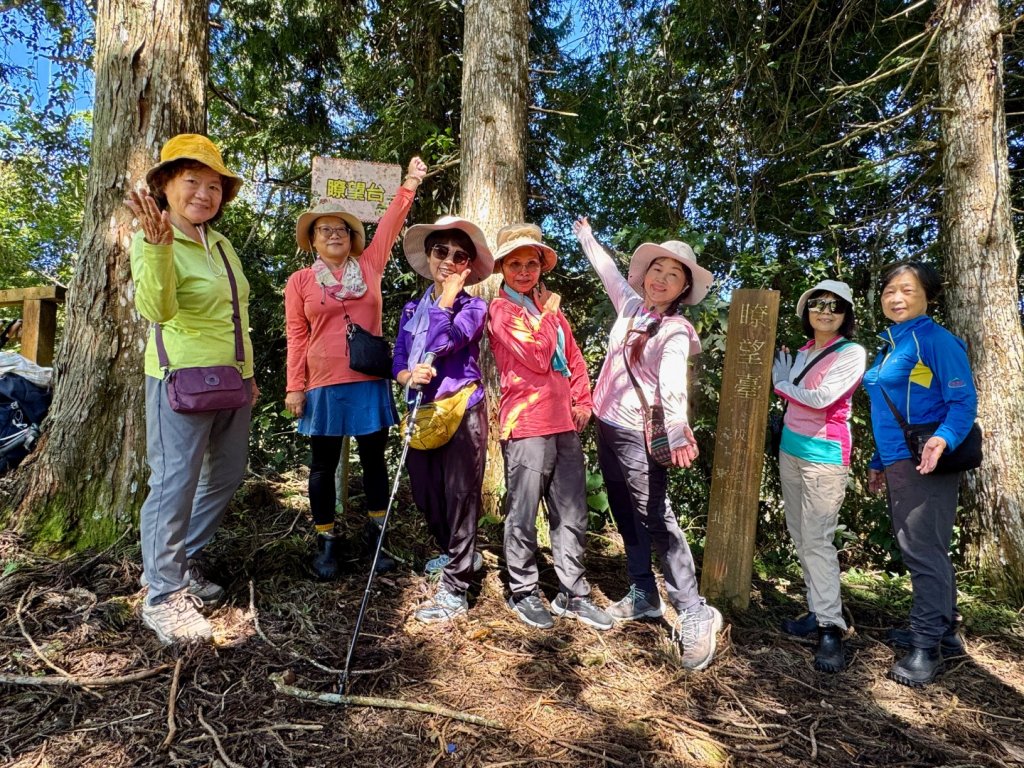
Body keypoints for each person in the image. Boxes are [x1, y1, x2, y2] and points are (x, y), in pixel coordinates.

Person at [126, 134, 258, 645]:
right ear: (165, 185)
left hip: (233, 379)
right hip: (179, 378)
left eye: (214, 186)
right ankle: (163, 595)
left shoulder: (220, 243)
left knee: (226, 474)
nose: (204, 193)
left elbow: (236, 313)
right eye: (192, 181)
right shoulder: (153, 238)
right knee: (173, 483)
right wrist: (159, 249)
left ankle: (181, 562)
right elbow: (157, 311)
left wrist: (249, 373)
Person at [574, 217, 723, 671]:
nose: (661, 278)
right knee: (625, 512)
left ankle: (693, 610)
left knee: (656, 517)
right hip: (607, 427)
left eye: (673, 275)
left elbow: (673, 382)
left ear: (683, 289)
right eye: (657, 269)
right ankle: (643, 592)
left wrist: (677, 430)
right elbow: (608, 272)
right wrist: (587, 237)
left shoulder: (675, 330)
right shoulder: (630, 307)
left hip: (641, 436)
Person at [285, 157, 428, 580]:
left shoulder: (368, 267)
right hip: (323, 384)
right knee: (323, 465)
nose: (334, 234)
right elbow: (296, 335)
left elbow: (390, 225)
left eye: (342, 229)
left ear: (352, 239)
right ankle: (327, 540)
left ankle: (376, 536)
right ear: (313, 240)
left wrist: (410, 183)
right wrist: (295, 386)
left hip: (367, 379)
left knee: (374, 461)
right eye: (325, 229)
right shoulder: (300, 281)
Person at [487, 223, 613, 632]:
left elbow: (573, 359)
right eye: (515, 264)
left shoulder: (551, 312)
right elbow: (539, 356)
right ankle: (523, 590)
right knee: (523, 512)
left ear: (541, 267)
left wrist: (583, 401)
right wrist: (547, 314)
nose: (524, 272)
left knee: (571, 511)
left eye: (532, 263)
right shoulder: (501, 311)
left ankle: (572, 592)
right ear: (502, 268)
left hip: (564, 424)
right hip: (525, 423)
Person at [863, 262, 977, 687]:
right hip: (899, 459)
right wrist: (879, 460)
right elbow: (888, 413)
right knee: (927, 547)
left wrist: (943, 439)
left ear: (928, 295)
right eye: (889, 291)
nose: (897, 298)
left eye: (907, 290)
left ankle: (926, 645)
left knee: (922, 550)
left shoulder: (936, 340)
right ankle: (944, 630)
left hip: (926, 460)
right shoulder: (893, 345)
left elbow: (963, 401)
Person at [393, 216, 492, 622]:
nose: (449, 260)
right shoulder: (411, 308)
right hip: (422, 409)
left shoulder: (475, 307)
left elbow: (446, 341)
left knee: (460, 494)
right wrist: (406, 375)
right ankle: (456, 553)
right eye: (441, 251)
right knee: (425, 491)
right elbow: (400, 356)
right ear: (429, 256)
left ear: (468, 266)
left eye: (459, 256)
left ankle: (455, 589)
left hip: (463, 408)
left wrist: (448, 299)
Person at [772, 280, 866, 673]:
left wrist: (781, 385)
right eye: (817, 304)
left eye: (835, 306)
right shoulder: (803, 352)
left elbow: (823, 398)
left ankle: (831, 626)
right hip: (790, 450)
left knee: (817, 540)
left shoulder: (851, 353)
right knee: (800, 534)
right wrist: (786, 384)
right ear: (806, 311)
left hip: (824, 457)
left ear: (846, 314)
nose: (825, 312)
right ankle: (817, 609)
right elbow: (795, 400)